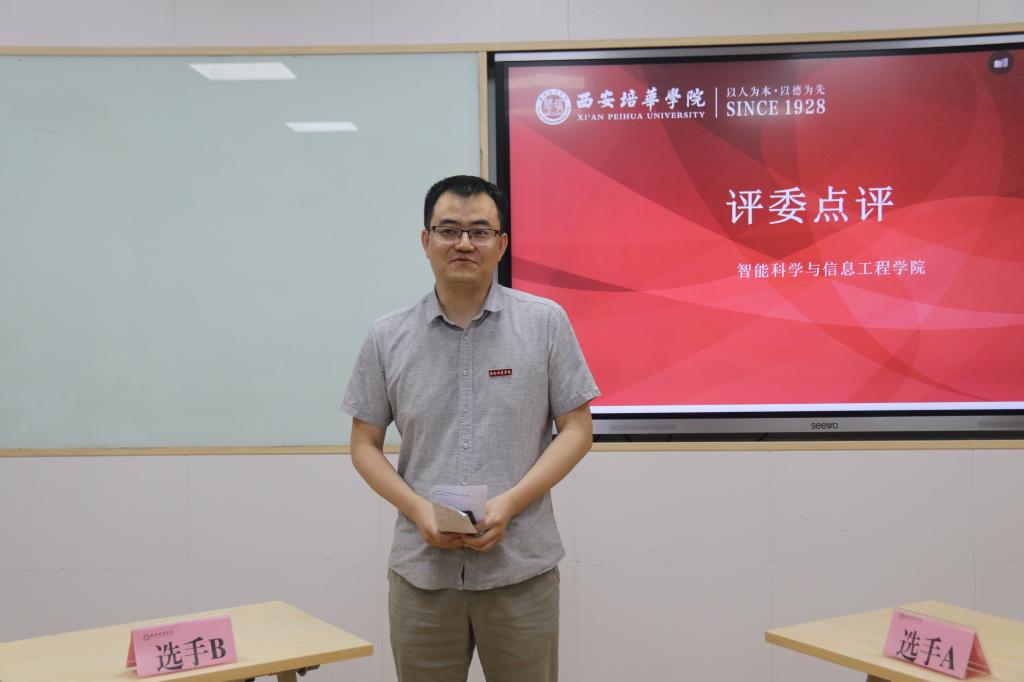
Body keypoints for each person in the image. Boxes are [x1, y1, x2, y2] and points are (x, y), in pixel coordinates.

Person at [342, 175, 599, 682]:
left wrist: (511, 503)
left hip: (520, 569)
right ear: (426, 241)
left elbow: (576, 429)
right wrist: (417, 509)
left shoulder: (545, 323)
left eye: (480, 231)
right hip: (423, 575)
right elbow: (364, 445)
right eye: (449, 230)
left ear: (501, 244)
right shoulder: (388, 336)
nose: (464, 243)